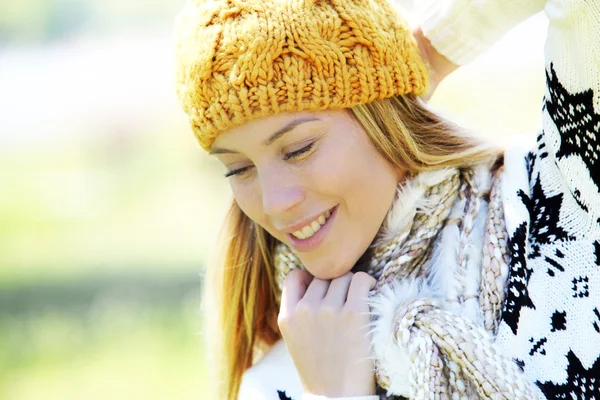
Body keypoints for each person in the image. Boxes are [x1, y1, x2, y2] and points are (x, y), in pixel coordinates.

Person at [173, 0, 600, 398]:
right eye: (239, 169)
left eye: (299, 149)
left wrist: (432, 49)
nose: (274, 203)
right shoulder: (277, 385)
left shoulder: (563, 196)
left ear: (384, 120)